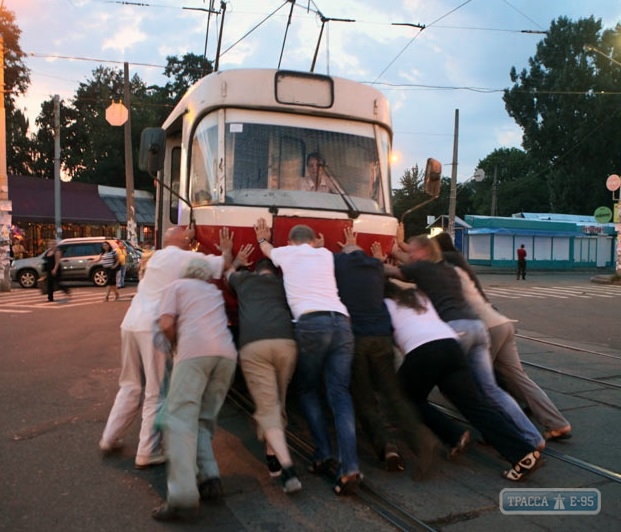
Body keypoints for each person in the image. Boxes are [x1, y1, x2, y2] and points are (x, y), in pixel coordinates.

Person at [376, 235, 545, 451]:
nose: (409, 256)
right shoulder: (450, 270)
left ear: (424, 253)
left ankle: (464, 434)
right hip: (477, 328)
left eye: (412, 253)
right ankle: (532, 437)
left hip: (456, 330)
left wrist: (377, 259)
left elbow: (391, 272)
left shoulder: (422, 269)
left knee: (460, 394)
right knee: (491, 389)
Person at [99, 226, 236, 470]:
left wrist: (187, 238)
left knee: (130, 385)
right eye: (187, 239)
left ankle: (109, 438)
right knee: (157, 392)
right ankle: (147, 452)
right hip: (153, 328)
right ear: (184, 241)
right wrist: (226, 250)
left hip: (131, 324)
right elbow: (221, 264)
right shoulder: (186, 257)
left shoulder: (157, 256)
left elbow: (179, 246)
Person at [384, 281, 544, 481]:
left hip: (423, 351)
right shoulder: (417, 295)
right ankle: (523, 454)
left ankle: (453, 433)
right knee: (475, 406)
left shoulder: (385, 304)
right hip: (452, 347)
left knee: (404, 396)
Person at [254, 218, 362, 495]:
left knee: (307, 389)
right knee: (340, 393)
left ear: (290, 242)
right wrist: (320, 246)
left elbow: (266, 249)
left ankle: (324, 452)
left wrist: (263, 237)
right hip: (342, 322)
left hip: (311, 324)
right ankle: (350, 466)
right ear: (315, 242)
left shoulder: (286, 252)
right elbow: (322, 250)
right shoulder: (325, 254)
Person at [432, 232, 571, 441]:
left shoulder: (447, 260)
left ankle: (502, 430)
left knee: (480, 384)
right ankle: (558, 423)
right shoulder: (459, 259)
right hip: (499, 321)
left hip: (484, 327)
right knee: (519, 378)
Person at [333, 228, 439, 478]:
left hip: (357, 339)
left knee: (364, 398)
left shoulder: (337, 262)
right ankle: (422, 442)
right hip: (382, 338)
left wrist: (343, 246)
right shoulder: (375, 266)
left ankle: (387, 448)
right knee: (393, 394)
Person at [151, 258, 240, 522]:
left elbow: (166, 324)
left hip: (193, 354)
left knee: (179, 421)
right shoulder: (212, 291)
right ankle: (210, 478)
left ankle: (182, 497)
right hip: (226, 356)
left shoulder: (176, 286)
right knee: (202, 419)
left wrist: (176, 345)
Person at [226, 257, 302, 494]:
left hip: (255, 346)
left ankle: (287, 467)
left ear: (257, 271)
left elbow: (227, 271)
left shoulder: (244, 279)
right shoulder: (284, 283)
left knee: (268, 408)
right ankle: (272, 457)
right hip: (286, 344)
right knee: (279, 401)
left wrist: (235, 259)